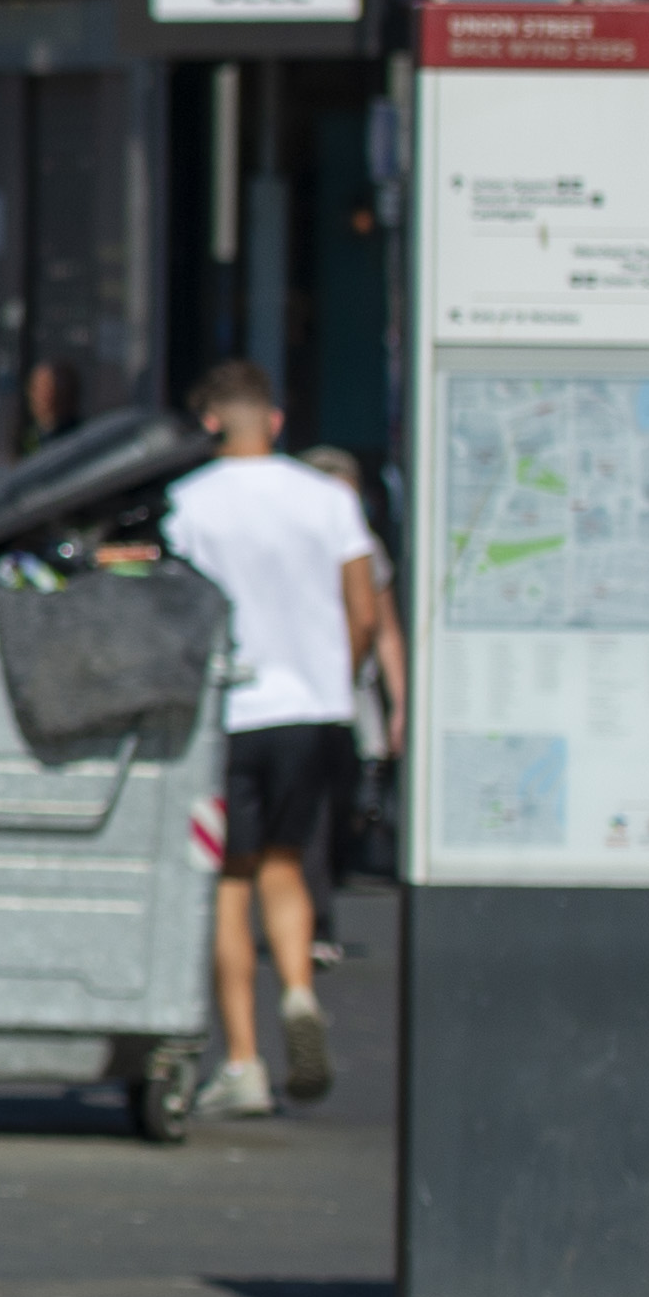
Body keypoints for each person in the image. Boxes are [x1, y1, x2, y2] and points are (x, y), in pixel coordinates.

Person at [163, 364, 403, 1115]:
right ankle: (299, 990)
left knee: (229, 880)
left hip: (231, 710)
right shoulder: (328, 499)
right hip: (315, 708)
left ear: (209, 424)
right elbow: (362, 609)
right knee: (287, 863)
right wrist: (340, 674)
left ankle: (242, 1059)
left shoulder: (187, 504)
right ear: (272, 418)